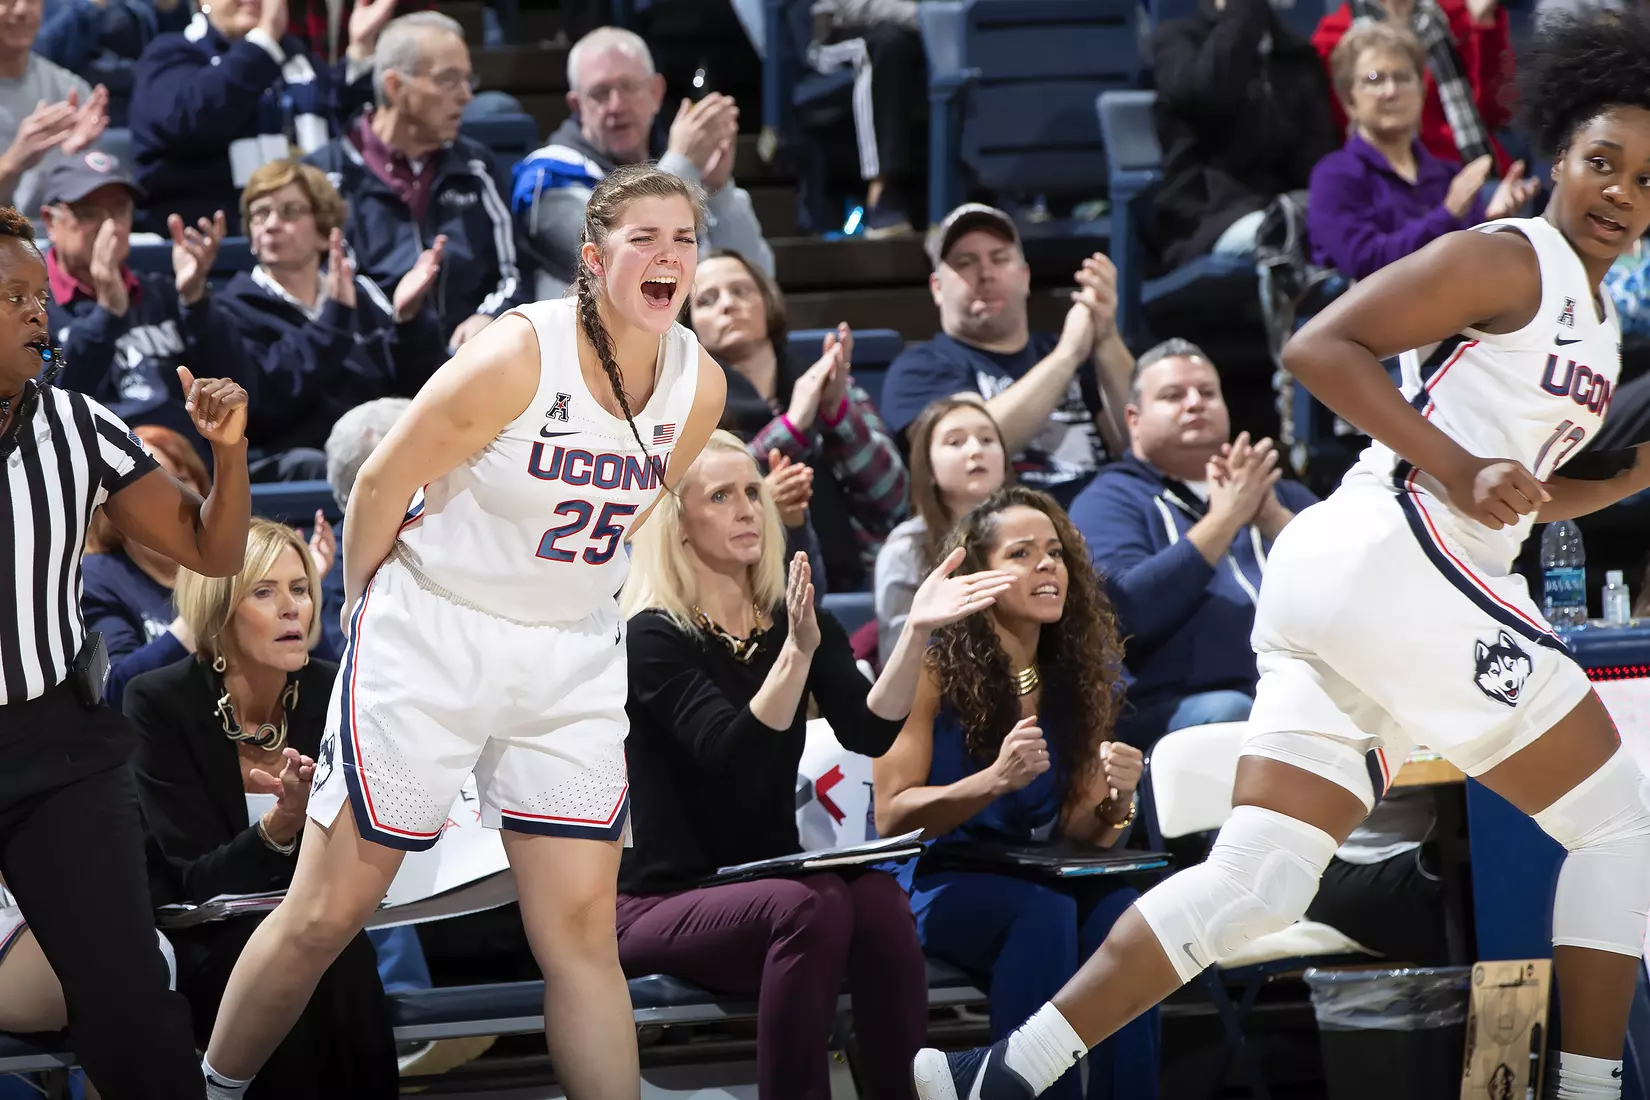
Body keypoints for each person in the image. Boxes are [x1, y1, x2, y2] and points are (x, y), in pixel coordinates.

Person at [913, 15, 1650, 1099]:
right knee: (1620, 821)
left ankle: (1001, 1071)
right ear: (1553, 156)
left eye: (1645, 176)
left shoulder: (1597, 325)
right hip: (1394, 558)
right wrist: (1454, 465)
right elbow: (1317, 347)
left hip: (1364, 582)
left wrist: (1630, 477)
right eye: (1601, 161)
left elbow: (1526, 492)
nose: (1622, 190)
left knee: (1255, 883)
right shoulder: (1508, 255)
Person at [196, 162, 727, 1099]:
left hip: (567, 654)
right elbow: (377, 483)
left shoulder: (702, 384)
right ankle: (210, 1085)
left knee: (581, 942)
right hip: (437, 630)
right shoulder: (522, 353)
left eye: (684, 238)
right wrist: (368, 608)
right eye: (645, 238)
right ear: (596, 260)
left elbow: (636, 514)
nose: (669, 256)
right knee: (329, 911)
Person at [618, 430, 1003, 1100]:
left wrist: (913, 632)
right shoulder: (653, 636)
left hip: (774, 889)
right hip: (665, 899)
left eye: (753, 493)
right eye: (722, 496)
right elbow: (732, 759)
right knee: (812, 902)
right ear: (678, 523)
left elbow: (871, 730)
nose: (748, 509)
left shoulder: (789, 614)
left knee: (879, 900)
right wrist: (796, 659)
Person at [0, 200, 249, 1098]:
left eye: (42, 294)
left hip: (57, 745)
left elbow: (213, 553)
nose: (40, 311)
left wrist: (228, 454)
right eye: (14, 295)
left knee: (130, 994)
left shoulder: (81, 426)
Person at [877, 486, 1156, 1100]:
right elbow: (891, 814)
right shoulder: (929, 666)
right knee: (1043, 913)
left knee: (1124, 913)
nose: (1046, 565)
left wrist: (1119, 801)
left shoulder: (1082, 676)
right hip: (932, 878)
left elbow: (1082, 833)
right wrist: (992, 781)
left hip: (1032, 872)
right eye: (1021, 553)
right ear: (977, 574)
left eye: (1054, 552)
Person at [126, 518, 397, 1099]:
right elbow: (191, 876)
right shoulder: (160, 703)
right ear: (220, 609)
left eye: (300, 589)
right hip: (207, 933)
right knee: (290, 960)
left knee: (340, 957)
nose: (291, 609)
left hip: (316, 923)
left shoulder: (335, 691)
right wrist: (278, 829)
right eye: (264, 592)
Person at [1069, 341, 1319, 751]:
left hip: (1302, 695)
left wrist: (1272, 518)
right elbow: (1125, 612)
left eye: (1207, 393)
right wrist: (1224, 520)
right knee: (1233, 713)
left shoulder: (1279, 494)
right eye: (1173, 396)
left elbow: (1359, 587)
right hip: (1177, 707)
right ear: (1133, 419)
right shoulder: (1108, 500)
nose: (1195, 403)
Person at [880, 204, 1132, 507]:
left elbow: (1142, 441)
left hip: (1106, 523)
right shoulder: (920, 368)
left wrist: (1106, 336)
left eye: (999, 259)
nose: (985, 274)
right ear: (937, 287)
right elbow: (970, 452)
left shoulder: (1071, 351)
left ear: (1025, 276)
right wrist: (1067, 356)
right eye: (965, 263)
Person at [306, 12, 525, 354]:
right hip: (371, 370)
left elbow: (514, 273)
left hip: (470, 364)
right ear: (395, 87)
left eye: (468, 79)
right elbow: (333, 291)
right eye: (449, 80)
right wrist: (406, 326)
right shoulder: (326, 175)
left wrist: (490, 316)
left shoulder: (477, 167)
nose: (467, 96)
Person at [690, 248, 907, 591]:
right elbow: (702, 502)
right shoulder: (686, 405)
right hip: (745, 588)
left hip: (859, 579)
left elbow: (892, 498)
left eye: (741, 291)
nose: (727, 305)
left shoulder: (828, 381)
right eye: (706, 300)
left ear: (767, 301)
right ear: (689, 326)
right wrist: (791, 427)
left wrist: (836, 412)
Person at [218, 159, 446, 476]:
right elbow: (266, 404)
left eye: (289, 212)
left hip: (383, 451)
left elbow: (417, 388)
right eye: (260, 214)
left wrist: (409, 321)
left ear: (325, 232)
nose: (271, 224)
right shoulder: (231, 309)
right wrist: (334, 322)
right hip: (299, 465)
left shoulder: (362, 294)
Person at [513, 25, 773, 297]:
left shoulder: (673, 163)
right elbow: (620, 263)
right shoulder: (547, 178)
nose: (616, 106)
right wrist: (682, 163)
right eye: (600, 93)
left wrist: (718, 189)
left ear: (656, 92)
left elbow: (760, 283)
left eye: (628, 87)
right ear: (577, 106)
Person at [41, 149, 255, 455]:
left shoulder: (162, 293)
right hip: (93, 471)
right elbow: (48, 408)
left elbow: (242, 391)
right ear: (50, 221)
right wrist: (107, 314)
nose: (108, 227)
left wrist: (196, 301)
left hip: (187, 464)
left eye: (118, 212)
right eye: (89, 213)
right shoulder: (33, 305)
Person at [129, 0, 385, 232]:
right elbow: (192, 119)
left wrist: (361, 50)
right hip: (213, 251)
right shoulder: (169, 54)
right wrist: (263, 43)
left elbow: (343, 130)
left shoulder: (296, 59)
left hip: (307, 246)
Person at [1308, 22, 1537, 280]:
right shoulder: (1334, 176)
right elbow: (1365, 262)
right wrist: (1448, 213)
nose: (1391, 91)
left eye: (1403, 77)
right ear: (1348, 100)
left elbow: (1469, 266)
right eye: (1374, 79)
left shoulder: (1448, 173)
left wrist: (1492, 221)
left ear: (1422, 90)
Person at [1150, 0, 1338, 268]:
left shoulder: (1297, 56)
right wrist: (1243, 12)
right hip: (1208, 218)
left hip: (1289, 209)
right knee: (1284, 237)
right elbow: (1207, 94)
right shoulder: (1177, 40)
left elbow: (1316, 162)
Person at [875, 395, 1011, 666]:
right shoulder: (906, 547)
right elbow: (897, 657)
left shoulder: (1034, 531)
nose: (975, 450)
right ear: (929, 468)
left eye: (987, 439)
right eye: (955, 442)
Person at [82, 423, 208, 703]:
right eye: (151, 482)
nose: (171, 495)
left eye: (182, 479)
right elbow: (116, 688)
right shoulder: (96, 579)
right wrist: (208, 609)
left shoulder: (228, 567)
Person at [1312, 0, 1512, 170]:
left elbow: (1497, 113)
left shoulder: (1457, 13)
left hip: (1479, 165)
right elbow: (1341, 127)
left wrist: (1484, 23)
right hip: (1395, 179)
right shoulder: (1334, 35)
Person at [0, 0, 107, 216]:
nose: (22, 10)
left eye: (31, 0)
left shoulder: (70, 91)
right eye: (7, 1)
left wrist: (70, 161)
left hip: (46, 240)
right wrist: (11, 163)